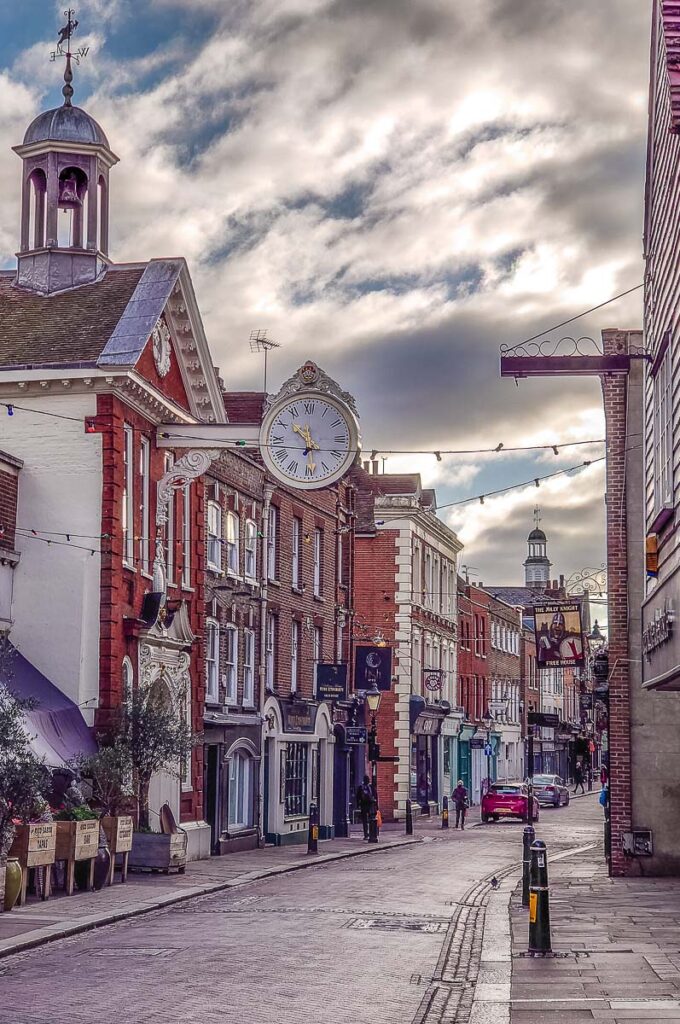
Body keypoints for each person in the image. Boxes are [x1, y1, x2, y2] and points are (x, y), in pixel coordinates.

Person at [356, 775, 375, 840]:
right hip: (370, 805)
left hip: (363, 805)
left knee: (365, 821)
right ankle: (372, 833)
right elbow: (375, 796)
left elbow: (357, 797)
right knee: (372, 820)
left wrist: (358, 805)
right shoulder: (371, 787)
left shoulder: (360, 787)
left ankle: (366, 834)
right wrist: (376, 805)